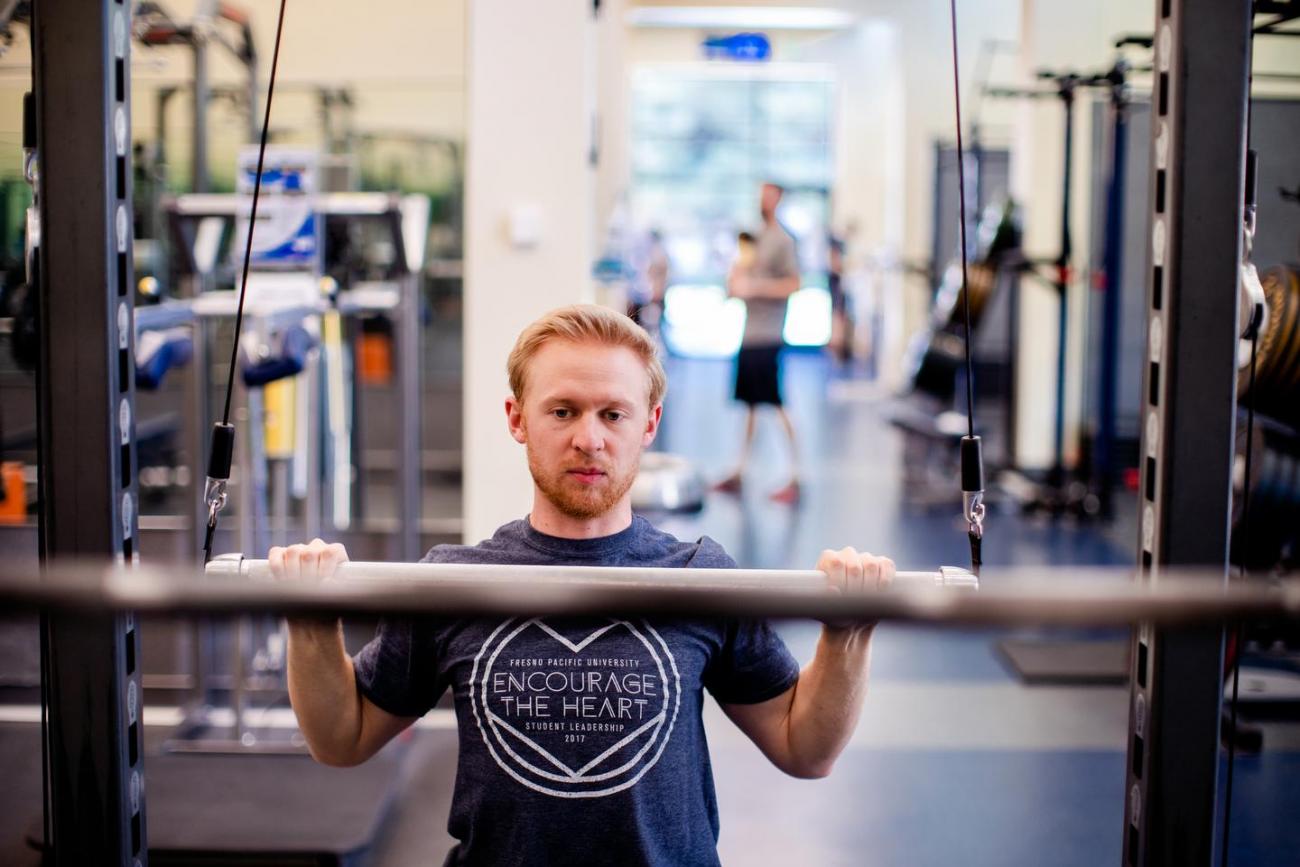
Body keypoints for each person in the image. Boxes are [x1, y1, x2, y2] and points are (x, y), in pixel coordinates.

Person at [272, 305, 894, 867]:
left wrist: (848, 635)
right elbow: (341, 739)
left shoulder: (698, 576)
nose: (588, 438)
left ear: (648, 425)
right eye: (563, 411)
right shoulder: (454, 581)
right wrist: (309, 620)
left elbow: (804, 749)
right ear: (518, 418)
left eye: (612, 414)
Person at [715, 182, 802, 503]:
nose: (762, 200)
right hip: (749, 334)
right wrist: (737, 282)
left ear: (779, 199)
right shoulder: (753, 240)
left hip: (769, 335)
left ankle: (795, 474)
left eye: (769, 195)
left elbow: (793, 284)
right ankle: (739, 470)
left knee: (776, 403)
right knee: (750, 405)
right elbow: (737, 283)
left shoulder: (783, 241)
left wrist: (754, 287)